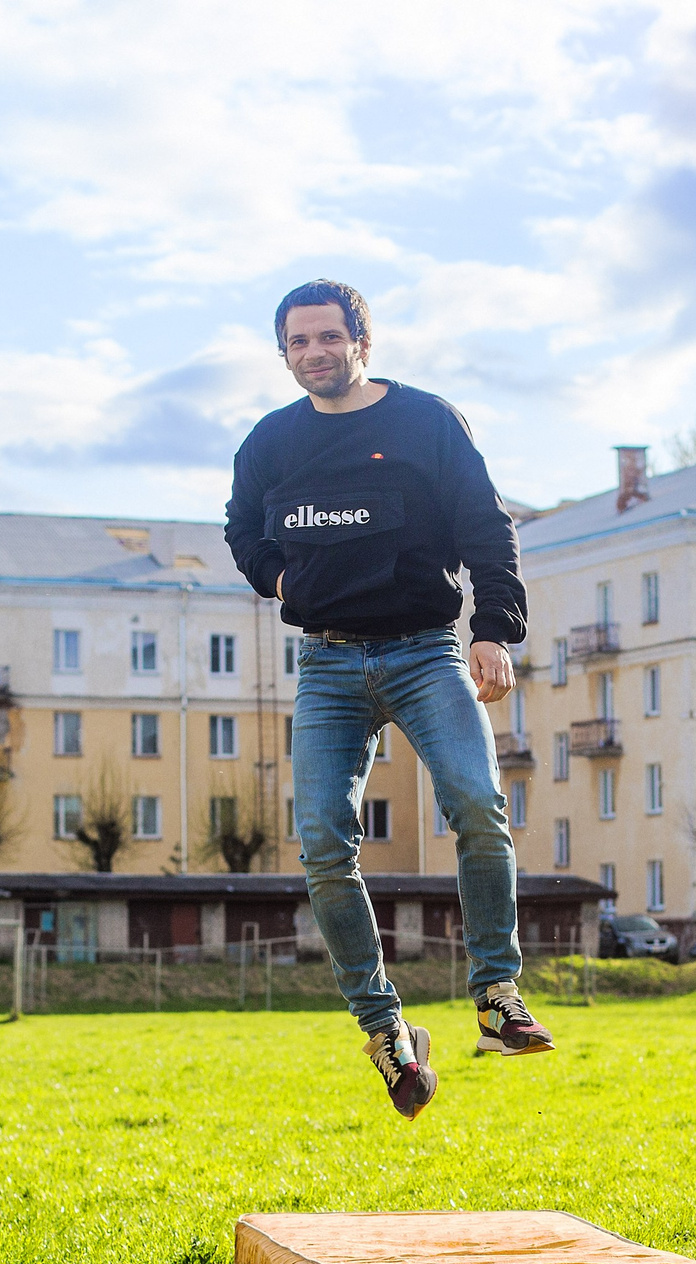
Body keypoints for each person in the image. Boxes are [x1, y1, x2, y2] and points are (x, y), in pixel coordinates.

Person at [225, 279, 554, 1119]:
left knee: (478, 802)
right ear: (285, 354)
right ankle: (387, 1033)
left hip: (424, 651)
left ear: (361, 342)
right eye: (298, 343)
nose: (314, 354)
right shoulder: (270, 442)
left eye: (329, 337)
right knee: (323, 845)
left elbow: (487, 525)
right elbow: (241, 530)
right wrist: (279, 575)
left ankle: (495, 993)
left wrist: (494, 629)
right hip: (328, 666)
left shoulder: (425, 423)